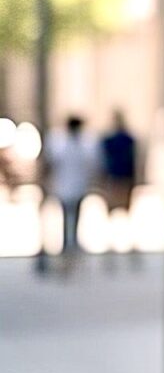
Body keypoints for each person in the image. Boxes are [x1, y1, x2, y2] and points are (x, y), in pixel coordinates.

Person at [43, 114, 101, 272]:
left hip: (73, 186)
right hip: (67, 186)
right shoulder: (64, 142)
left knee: (71, 216)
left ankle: (70, 245)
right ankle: (69, 246)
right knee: (70, 216)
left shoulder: (75, 143)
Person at [100, 107, 141, 265]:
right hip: (120, 178)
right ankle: (119, 249)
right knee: (121, 214)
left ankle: (118, 249)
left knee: (118, 214)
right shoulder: (122, 139)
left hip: (118, 178)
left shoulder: (115, 140)